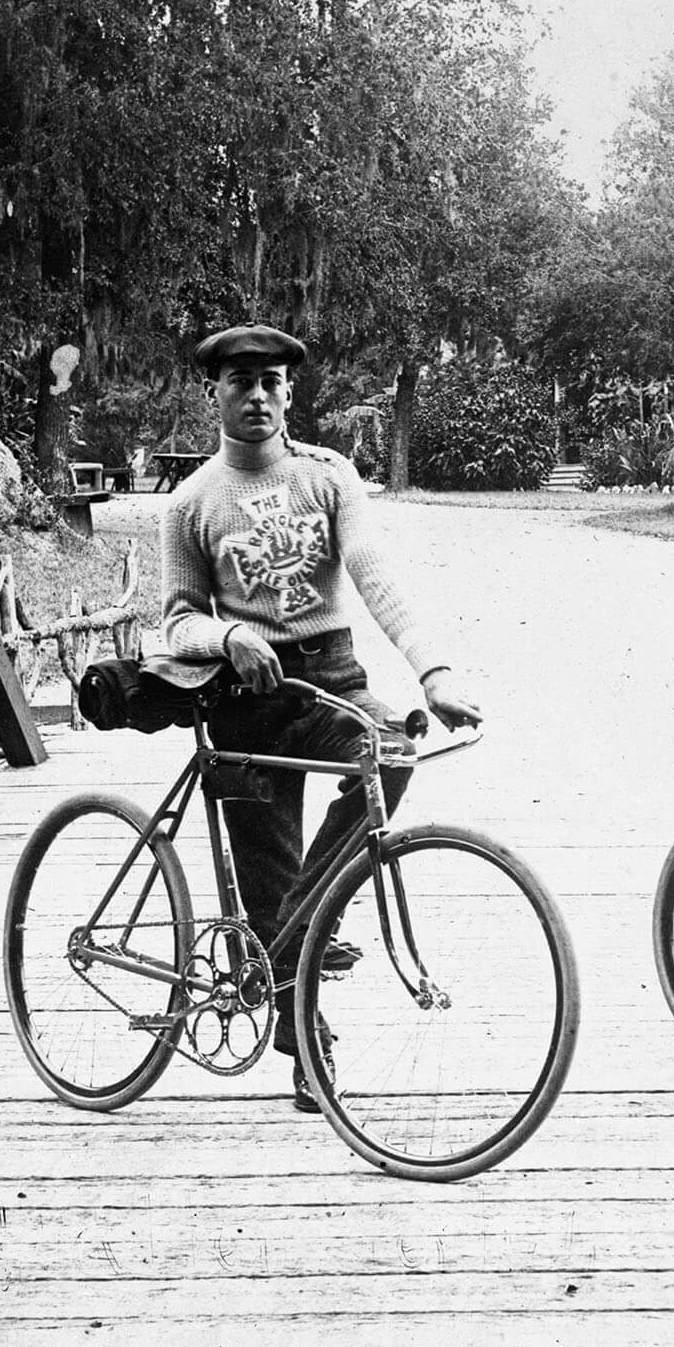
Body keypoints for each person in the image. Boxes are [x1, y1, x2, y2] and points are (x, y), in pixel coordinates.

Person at [149, 324, 482, 1112]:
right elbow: (177, 621)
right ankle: (305, 1041)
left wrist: (431, 672)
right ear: (214, 394)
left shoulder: (329, 477)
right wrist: (230, 636)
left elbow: (374, 573)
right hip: (246, 705)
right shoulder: (190, 503)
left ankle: (295, 929)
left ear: (290, 391)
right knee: (266, 884)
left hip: (332, 680)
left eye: (271, 381)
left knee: (392, 752)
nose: (257, 395)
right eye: (241, 382)